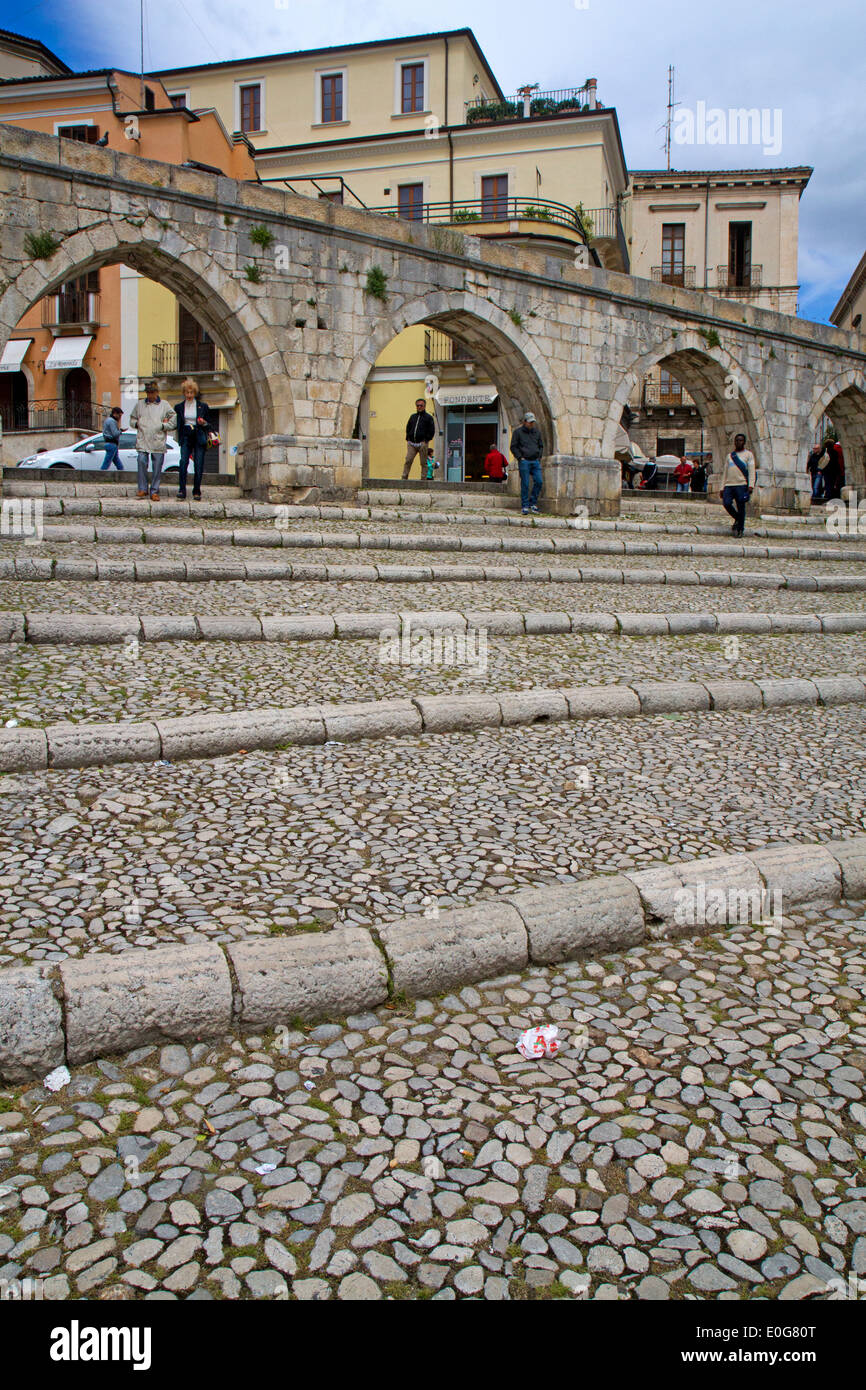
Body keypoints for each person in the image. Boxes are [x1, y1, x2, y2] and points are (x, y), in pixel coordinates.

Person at [130, 381, 174, 500]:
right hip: (143, 438)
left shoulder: (164, 405)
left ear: (157, 392)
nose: (150, 395)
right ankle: (143, 489)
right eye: (148, 393)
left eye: (152, 392)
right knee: (141, 461)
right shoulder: (140, 404)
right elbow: (132, 418)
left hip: (157, 439)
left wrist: (165, 426)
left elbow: (173, 417)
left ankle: (154, 491)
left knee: (157, 466)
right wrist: (137, 424)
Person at [174, 378, 213, 500]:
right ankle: (182, 490)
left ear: (195, 393)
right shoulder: (179, 407)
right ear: (184, 393)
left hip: (198, 435)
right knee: (183, 462)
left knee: (199, 464)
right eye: (187, 392)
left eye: (191, 393)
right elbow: (177, 424)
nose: (189, 395)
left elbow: (209, 424)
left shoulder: (203, 406)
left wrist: (203, 423)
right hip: (186, 435)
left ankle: (197, 490)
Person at [719, 432, 756, 536]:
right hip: (729, 485)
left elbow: (752, 471)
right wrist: (722, 487)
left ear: (744, 442)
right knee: (726, 503)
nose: (738, 442)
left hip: (741, 484)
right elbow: (725, 472)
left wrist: (751, 485)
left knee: (741, 507)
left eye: (740, 440)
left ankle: (740, 529)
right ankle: (738, 518)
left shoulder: (748, 455)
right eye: (737, 440)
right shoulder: (729, 456)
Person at [510, 410, 544, 514]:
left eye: (533, 422)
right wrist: (520, 457)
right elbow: (513, 446)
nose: (531, 424)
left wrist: (539, 456)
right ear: (525, 422)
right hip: (524, 461)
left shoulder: (537, 432)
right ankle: (525, 505)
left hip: (535, 461)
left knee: (539, 481)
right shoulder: (518, 432)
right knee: (525, 483)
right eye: (529, 422)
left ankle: (532, 503)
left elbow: (540, 445)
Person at [402, 397, 436, 479]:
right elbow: (408, 427)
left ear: (424, 406)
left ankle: (423, 479)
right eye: (417, 405)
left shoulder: (428, 418)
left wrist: (426, 440)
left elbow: (432, 430)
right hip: (412, 444)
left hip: (422, 444)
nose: (419, 407)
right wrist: (408, 438)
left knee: (423, 463)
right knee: (408, 460)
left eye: (421, 405)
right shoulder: (413, 417)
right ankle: (404, 477)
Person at [822, 437, 845, 501]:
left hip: (826, 470)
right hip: (834, 471)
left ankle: (828, 496)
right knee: (832, 484)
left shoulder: (825, 452)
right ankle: (831, 496)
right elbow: (836, 462)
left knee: (827, 483)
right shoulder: (835, 452)